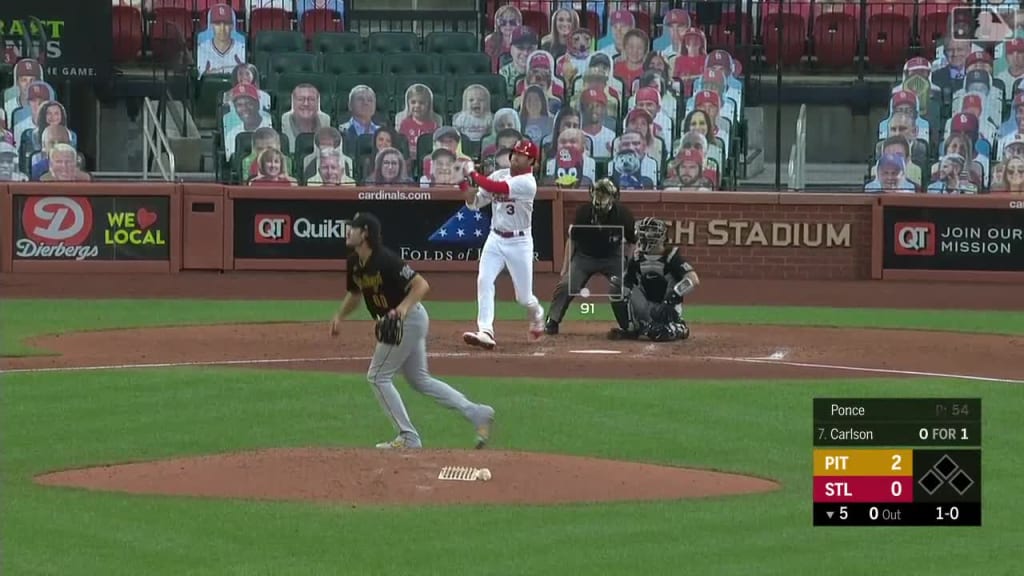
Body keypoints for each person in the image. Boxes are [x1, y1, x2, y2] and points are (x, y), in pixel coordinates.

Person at [330, 212, 496, 450]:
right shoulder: (354, 262)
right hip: (404, 321)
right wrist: (340, 316)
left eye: (353, 228)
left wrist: (400, 311)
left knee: (377, 376)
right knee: (420, 380)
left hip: (409, 319)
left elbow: (421, 285)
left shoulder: (385, 260)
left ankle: (408, 437)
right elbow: (356, 294)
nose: (348, 231)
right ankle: (476, 412)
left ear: (365, 233)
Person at [459, 138, 546, 349]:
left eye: (522, 154)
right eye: (515, 153)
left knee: (524, 299)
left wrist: (472, 173)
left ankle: (538, 314)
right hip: (495, 238)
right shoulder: (500, 174)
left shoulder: (527, 183)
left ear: (532, 161)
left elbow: (492, 186)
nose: (516, 157)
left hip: (520, 242)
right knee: (484, 280)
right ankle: (486, 331)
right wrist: (461, 181)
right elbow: (475, 203)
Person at [544, 178, 635, 335]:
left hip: (613, 256)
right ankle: (552, 320)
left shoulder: (623, 215)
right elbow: (572, 240)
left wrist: (629, 265)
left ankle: (627, 326)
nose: (601, 198)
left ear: (614, 197)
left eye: (605, 195)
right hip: (585, 256)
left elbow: (632, 242)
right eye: (598, 194)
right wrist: (565, 268)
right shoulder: (584, 213)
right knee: (567, 285)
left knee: (622, 287)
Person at [607, 217, 698, 342]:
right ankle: (632, 329)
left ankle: (676, 326)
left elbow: (693, 279)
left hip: (668, 308)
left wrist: (671, 298)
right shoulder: (637, 257)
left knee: (661, 333)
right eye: (642, 233)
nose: (643, 238)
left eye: (648, 233)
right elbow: (626, 282)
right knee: (616, 285)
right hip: (646, 306)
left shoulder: (671, 256)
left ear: (659, 237)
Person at [196, 3, 246, 77]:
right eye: (217, 24)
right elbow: (200, 79)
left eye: (226, 24)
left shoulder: (241, 47)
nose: (222, 29)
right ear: (211, 26)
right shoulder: (202, 48)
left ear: (232, 26)